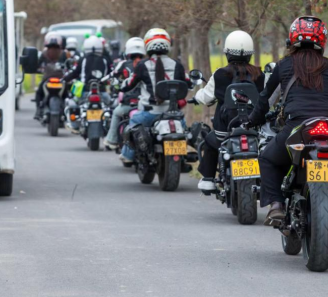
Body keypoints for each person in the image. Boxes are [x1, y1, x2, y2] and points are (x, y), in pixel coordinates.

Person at [248, 16, 328, 226]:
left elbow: (266, 99)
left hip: (297, 126)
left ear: (293, 37)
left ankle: (276, 205)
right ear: (323, 40)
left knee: (267, 158)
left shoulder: (284, 65)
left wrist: (252, 120)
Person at [191, 30, 264, 191]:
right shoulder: (260, 75)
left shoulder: (220, 75)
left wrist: (196, 97)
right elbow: (267, 98)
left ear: (227, 53)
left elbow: (206, 97)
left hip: (225, 130)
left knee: (209, 142)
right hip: (255, 129)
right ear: (250, 53)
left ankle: (208, 179)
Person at [117, 28, 191, 162]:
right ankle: (183, 158)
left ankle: (128, 155)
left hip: (149, 114)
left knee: (133, 122)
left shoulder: (142, 65)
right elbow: (188, 83)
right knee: (184, 131)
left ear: (148, 44)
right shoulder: (177, 65)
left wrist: (122, 84)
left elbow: (130, 84)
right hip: (173, 115)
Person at [104, 37, 146, 151]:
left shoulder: (123, 64)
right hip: (146, 102)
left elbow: (112, 76)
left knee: (117, 113)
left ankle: (111, 140)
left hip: (129, 101)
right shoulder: (148, 63)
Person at [34, 33, 66, 120]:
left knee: (39, 93)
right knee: (67, 94)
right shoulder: (63, 53)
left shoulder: (44, 53)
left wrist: (38, 69)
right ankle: (67, 111)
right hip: (60, 79)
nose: (53, 50)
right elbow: (69, 65)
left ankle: (38, 110)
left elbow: (38, 65)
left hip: (48, 79)